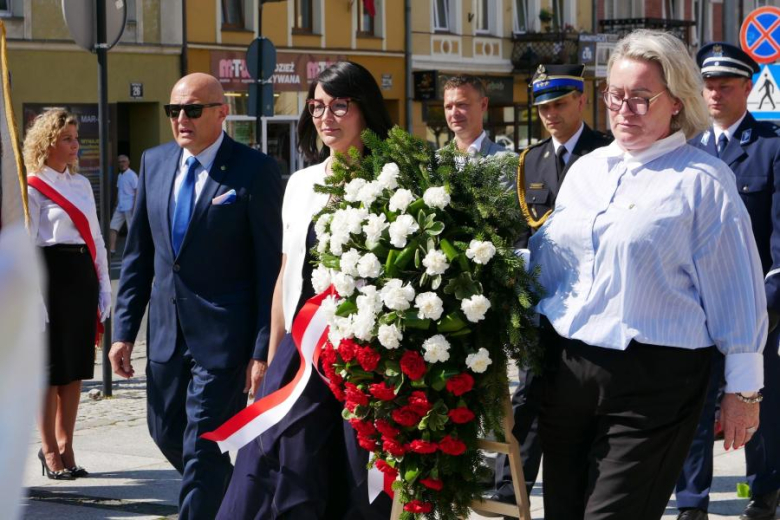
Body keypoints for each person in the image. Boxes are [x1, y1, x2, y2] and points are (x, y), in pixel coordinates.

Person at [529, 29, 767, 520]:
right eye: (616, 95)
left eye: (641, 97)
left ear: (677, 102)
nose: (624, 109)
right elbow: (550, 266)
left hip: (655, 378)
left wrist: (743, 391)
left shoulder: (703, 182)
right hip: (569, 370)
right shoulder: (587, 171)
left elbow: (737, 292)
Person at [216, 61, 393, 520]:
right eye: (317, 107)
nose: (325, 117)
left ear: (366, 110)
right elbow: (285, 273)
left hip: (366, 360)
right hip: (302, 357)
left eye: (339, 105)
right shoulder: (299, 183)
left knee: (358, 484)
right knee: (283, 474)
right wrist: (273, 357)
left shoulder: (394, 181)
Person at [109, 73, 283, 520]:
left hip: (224, 338)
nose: (181, 119)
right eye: (173, 110)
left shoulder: (255, 169)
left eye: (192, 109)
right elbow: (138, 258)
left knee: (202, 445)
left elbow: (270, 268)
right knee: (165, 431)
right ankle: (241, 502)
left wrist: (262, 348)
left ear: (222, 113)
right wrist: (123, 332)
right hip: (167, 334)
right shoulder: (155, 162)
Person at [489, 63, 612, 506]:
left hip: (591, 304)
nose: (550, 114)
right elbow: (520, 228)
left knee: (583, 403)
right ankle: (510, 487)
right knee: (528, 396)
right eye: (543, 107)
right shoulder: (531, 160)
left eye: (559, 104)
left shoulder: (608, 153)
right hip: (541, 304)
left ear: (582, 100)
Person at [675, 42, 780, 520]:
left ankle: (764, 491)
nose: (714, 94)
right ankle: (692, 500)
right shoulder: (688, 149)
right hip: (695, 307)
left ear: (746, 88)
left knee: (759, 402)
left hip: (754, 307)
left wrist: (768, 307)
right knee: (694, 409)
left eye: (725, 85)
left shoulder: (771, 148)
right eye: (708, 85)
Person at [24, 109, 111, 480]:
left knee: (74, 369)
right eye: (68, 139)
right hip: (49, 277)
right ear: (48, 143)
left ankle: (67, 445)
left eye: (76, 138)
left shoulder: (80, 185)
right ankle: (48, 450)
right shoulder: (32, 184)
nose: (76, 145)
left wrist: (105, 284)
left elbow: (97, 237)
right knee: (49, 371)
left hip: (81, 276)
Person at [443, 74, 506, 155]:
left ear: (483, 105)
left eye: (461, 104)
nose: (454, 113)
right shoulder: (434, 162)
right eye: (448, 107)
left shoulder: (508, 163)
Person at [108, 154, 138, 255]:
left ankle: (133, 251)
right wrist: (116, 204)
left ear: (128, 162)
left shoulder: (132, 175)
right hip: (120, 206)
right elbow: (119, 191)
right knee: (113, 227)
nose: (121, 164)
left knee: (132, 230)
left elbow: (137, 190)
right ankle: (112, 250)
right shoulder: (120, 175)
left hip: (130, 206)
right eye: (120, 162)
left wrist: (135, 206)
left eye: (124, 161)